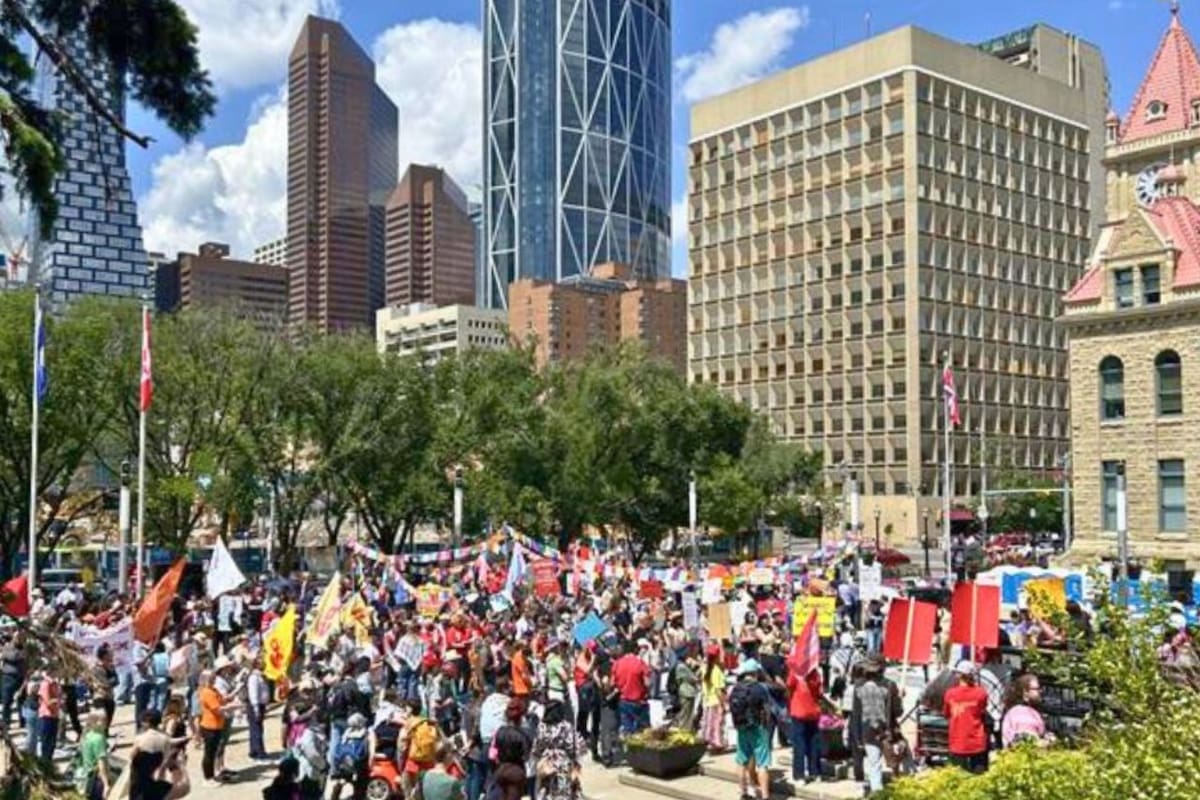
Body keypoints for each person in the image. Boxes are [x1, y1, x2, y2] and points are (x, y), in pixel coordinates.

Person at [852, 655, 902, 795]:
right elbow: (898, 712)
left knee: (874, 765)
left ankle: (877, 793)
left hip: (867, 730)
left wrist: (857, 737)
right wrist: (900, 698)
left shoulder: (858, 686)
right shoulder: (890, 685)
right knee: (896, 762)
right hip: (887, 731)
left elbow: (856, 714)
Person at [729, 660, 771, 800]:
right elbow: (766, 709)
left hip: (741, 728)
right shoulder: (759, 688)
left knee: (741, 761)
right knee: (762, 764)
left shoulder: (736, 688)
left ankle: (743, 793)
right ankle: (765, 796)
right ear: (755, 673)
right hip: (758, 729)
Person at [531, 700, 586, 800]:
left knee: (546, 791)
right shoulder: (566, 726)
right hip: (563, 762)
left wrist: (539, 757)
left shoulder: (541, 727)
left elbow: (537, 748)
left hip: (547, 763)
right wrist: (575, 761)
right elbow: (574, 746)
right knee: (564, 792)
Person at [943, 660, 990, 774]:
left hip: (957, 741)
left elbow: (947, 714)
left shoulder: (950, 694)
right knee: (979, 778)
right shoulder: (981, 693)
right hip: (977, 741)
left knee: (958, 779)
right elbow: (982, 711)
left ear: (959, 675)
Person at [785, 659, 823, 784]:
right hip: (813, 711)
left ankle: (799, 775)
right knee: (814, 743)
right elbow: (819, 692)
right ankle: (816, 772)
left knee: (799, 744)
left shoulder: (796, 673)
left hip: (798, 711)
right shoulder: (815, 674)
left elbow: (789, 686)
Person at [610, 640, 650, 736]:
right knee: (643, 731)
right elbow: (647, 683)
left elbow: (612, 683)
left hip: (624, 701)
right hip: (639, 701)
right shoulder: (640, 663)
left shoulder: (617, 664)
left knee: (628, 730)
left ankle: (630, 750)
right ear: (636, 649)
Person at [1001, 674, 1052, 748]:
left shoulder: (1031, 712)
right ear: (1025, 692)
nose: (1040, 691)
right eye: (1036, 689)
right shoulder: (1020, 714)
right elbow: (1025, 741)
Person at [330, 712, 371, 800]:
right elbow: (368, 750)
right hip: (359, 763)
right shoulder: (365, 733)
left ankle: (334, 796)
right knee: (360, 785)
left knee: (342, 780)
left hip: (344, 761)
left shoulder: (346, 733)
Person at [74, 710, 112, 800]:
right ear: (95, 722)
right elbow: (101, 763)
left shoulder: (87, 735)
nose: (107, 722)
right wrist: (106, 784)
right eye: (103, 720)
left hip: (87, 776)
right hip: (97, 778)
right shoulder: (99, 739)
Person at [700, 643, 728, 753]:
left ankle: (709, 743)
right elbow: (718, 690)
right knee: (717, 724)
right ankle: (717, 744)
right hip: (716, 701)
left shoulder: (704, 668)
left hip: (707, 700)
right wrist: (723, 703)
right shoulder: (717, 671)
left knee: (708, 723)